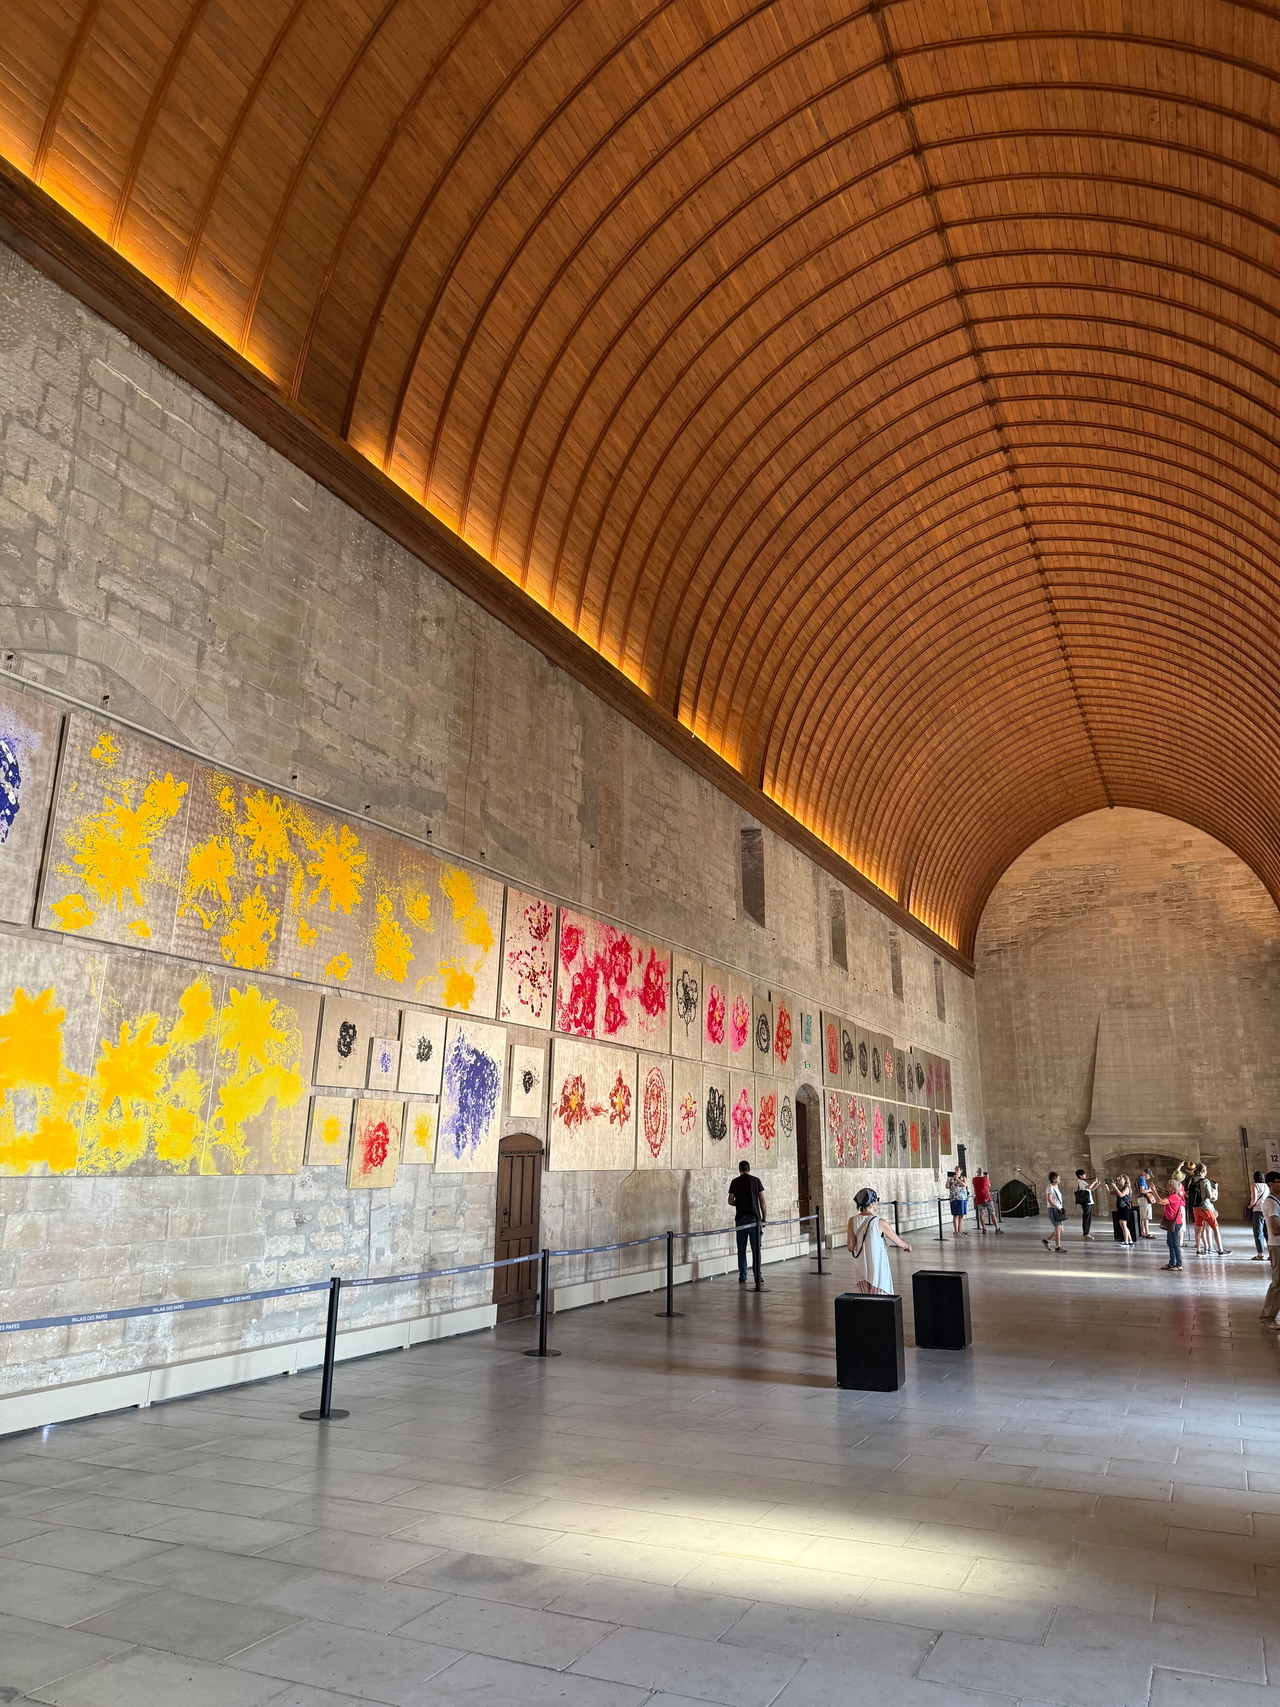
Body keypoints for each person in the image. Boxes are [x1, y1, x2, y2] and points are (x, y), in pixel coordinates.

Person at [847, 1187, 912, 1294]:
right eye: (877, 1200)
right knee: (881, 1301)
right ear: (872, 1203)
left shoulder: (852, 1221)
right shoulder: (879, 1222)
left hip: (861, 1269)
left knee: (866, 1301)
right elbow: (899, 1243)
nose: (877, 1202)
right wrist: (907, 1245)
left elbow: (850, 1247)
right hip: (877, 1269)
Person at [728, 1160, 767, 1288]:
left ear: (739, 1169)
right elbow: (762, 1201)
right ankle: (757, 1275)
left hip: (740, 1220)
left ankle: (742, 1275)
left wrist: (738, 1203)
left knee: (741, 1249)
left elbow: (730, 1201)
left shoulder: (735, 1182)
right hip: (754, 1220)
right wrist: (764, 1218)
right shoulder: (756, 1181)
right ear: (749, 1169)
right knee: (756, 1249)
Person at [1149, 1176, 1186, 1271]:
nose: (1167, 1185)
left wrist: (1154, 1191)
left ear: (1173, 1188)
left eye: (1169, 1185)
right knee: (1170, 1243)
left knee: (1175, 1243)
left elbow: (1160, 1201)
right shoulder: (1171, 1195)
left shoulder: (1174, 1196)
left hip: (1176, 1223)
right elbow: (1160, 1201)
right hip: (1171, 1222)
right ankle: (1172, 1263)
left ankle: (1179, 1264)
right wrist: (1155, 1191)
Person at [1189, 1163, 1225, 1256]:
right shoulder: (1205, 1181)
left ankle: (1198, 1250)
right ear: (1203, 1171)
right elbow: (1209, 1196)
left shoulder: (1191, 1180)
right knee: (1215, 1228)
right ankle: (1220, 1250)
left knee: (1198, 1229)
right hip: (1205, 1207)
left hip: (1195, 1208)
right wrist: (1215, 1190)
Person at [1259, 1172, 1280, 1328]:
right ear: (1271, 1183)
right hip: (1277, 1245)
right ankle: (1268, 1317)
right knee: (1278, 1282)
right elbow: (1275, 1228)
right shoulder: (1271, 1203)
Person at [1106, 1175, 1135, 1245]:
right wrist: (1107, 1185)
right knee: (1122, 1224)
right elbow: (1111, 1193)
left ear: (1125, 1180)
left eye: (1120, 1179)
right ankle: (1130, 1240)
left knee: (1124, 1224)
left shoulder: (1126, 1187)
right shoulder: (1120, 1188)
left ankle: (1126, 1241)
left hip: (1125, 1207)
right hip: (1120, 1208)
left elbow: (1121, 1195)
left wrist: (1115, 1187)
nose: (1119, 1181)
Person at [1042, 1172, 1066, 1252]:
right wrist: (1057, 1207)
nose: (1060, 1178)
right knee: (1057, 1228)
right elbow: (1049, 1200)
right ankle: (1057, 1247)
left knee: (1060, 1229)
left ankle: (1046, 1240)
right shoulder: (1050, 1187)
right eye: (1058, 1177)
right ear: (1053, 1179)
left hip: (1058, 1209)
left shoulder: (1056, 1187)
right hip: (1053, 1209)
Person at [1074, 1169, 1100, 1240]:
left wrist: (1097, 1184)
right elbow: (1089, 1187)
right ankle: (1086, 1233)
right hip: (1086, 1202)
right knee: (1086, 1218)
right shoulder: (1081, 1182)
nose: (1085, 1176)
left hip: (1088, 1202)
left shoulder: (1083, 1182)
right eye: (1084, 1174)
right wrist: (1094, 1182)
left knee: (1088, 1217)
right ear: (1080, 1176)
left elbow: (1091, 1189)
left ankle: (1087, 1232)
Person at [1250, 1170, 1269, 1260]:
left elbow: (1254, 1199)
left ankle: (1260, 1254)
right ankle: (1271, 1253)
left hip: (1258, 1210)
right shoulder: (1267, 1186)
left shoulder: (1254, 1185)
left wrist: (1249, 1206)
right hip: (1266, 1210)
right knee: (1267, 1233)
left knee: (1258, 1232)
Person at [1134, 1168, 1155, 1239]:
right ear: (1146, 1174)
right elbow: (1142, 1190)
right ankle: (1147, 1233)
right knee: (1146, 1217)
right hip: (1144, 1199)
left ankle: (1143, 1232)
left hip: (1140, 1199)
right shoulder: (1142, 1179)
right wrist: (1150, 1190)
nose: (1149, 1177)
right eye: (1149, 1175)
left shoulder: (1139, 1178)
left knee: (1142, 1217)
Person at [948, 1167, 969, 1237]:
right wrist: (948, 1179)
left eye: (957, 1170)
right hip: (954, 1198)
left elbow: (964, 1185)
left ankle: (960, 1231)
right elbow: (947, 1186)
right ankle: (956, 1232)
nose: (956, 1171)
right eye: (955, 1170)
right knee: (956, 1215)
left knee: (961, 1215)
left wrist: (957, 1179)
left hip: (962, 1198)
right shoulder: (951, 1178)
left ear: (960, 1171)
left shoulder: (963, 1178)